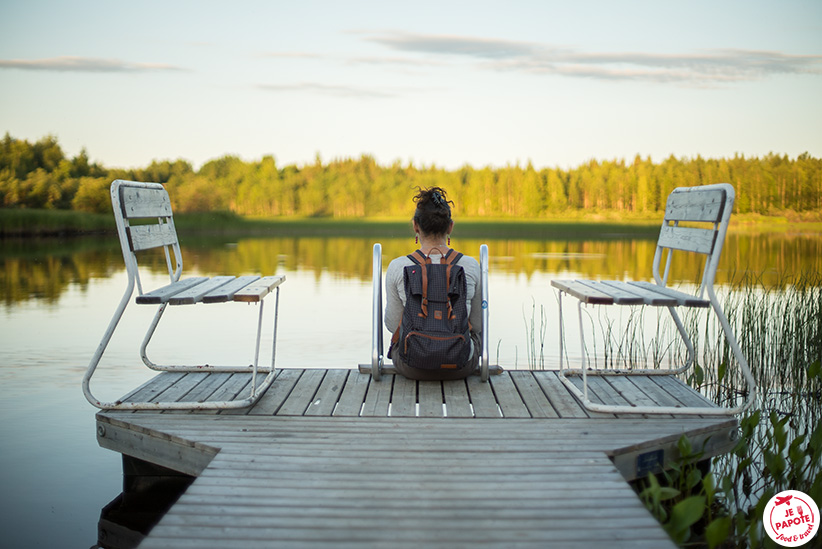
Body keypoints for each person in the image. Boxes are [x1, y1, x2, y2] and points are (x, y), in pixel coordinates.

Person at [384, 187, 483, 380]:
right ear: (450, 227)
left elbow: (391, 324)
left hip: (411, 365)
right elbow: (478, 324)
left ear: (415, 226)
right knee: (474, 334)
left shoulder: (398, 267)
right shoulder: (470, 266)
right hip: (460, 366)